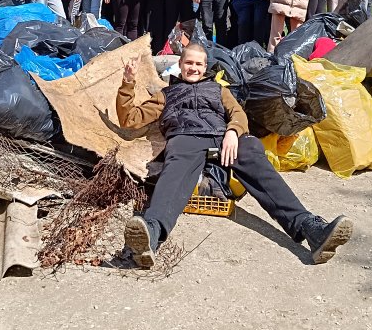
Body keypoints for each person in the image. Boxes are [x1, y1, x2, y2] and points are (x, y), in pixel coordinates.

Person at [118, 43, 353, 267]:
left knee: (252, 152)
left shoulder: (218, 90)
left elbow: (238, 114)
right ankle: (151, 232)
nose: (194, 68)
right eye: (189, 63)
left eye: (199, 64)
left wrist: (233, 131)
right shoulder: (166, 94)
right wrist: (128, 83)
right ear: (180, 64)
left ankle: (311, 228)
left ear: (205, 67)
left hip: (224, 137)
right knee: (175, 167)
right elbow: (130, 118)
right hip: (186, 136)